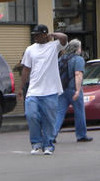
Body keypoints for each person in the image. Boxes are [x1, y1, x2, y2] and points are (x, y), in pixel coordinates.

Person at [19, 24, 67, 155]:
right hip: (34, 90)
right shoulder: (30, 50)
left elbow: (64, 39)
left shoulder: (54, 46)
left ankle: (48, 145)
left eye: (38, 34)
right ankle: (36, 143)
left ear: (45, 35)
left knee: (49, 120)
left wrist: (54, 35)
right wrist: (21, 87)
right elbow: (26, 69)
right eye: (34, 35)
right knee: (31, 115)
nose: (35, 37)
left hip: (50, 91)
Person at [53, 38, 93, 143]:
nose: (80, 49)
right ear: (77, 48)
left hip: (62, 89)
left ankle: (52, 135)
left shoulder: (61, 59)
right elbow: (78, 74)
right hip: (73, 88)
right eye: (80, 47)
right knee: (79, 112)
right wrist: (78, 91)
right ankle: (81, 135)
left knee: (59, 113)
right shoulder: (78, 59)